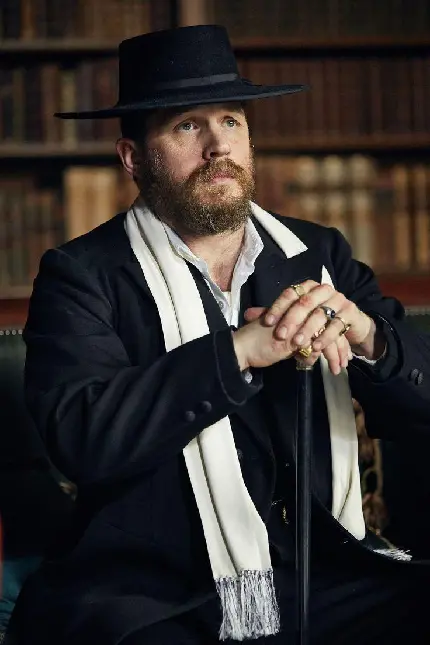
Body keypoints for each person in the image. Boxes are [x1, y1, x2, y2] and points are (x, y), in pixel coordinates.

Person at [6, 24, 430, 645]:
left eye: (231, 121)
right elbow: (84, 437)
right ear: (132, 158)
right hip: (158, 595)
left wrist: (371, 337)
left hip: (320, 573)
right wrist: (237, 353)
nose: (217, 146)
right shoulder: (82, 275)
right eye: (186, 126)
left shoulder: (319, 254)